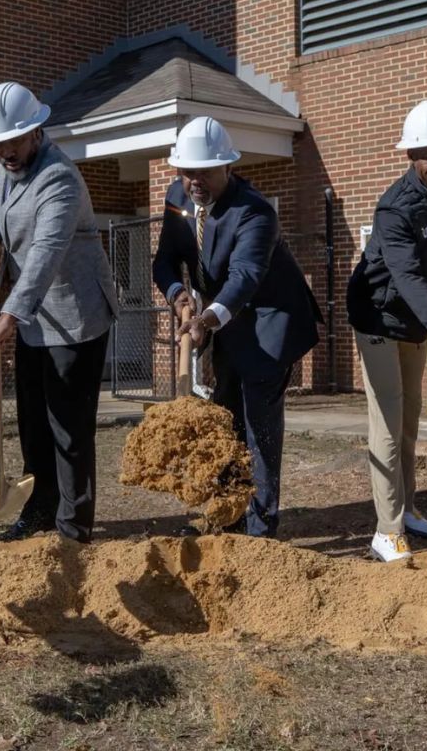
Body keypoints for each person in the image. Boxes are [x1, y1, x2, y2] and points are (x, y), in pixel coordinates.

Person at [152, 116, 321, 538]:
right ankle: (228, 514)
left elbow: (245, 276)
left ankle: (260, 526)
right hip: (225, 319)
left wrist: (207, 319)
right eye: (187, 171)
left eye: (205, 172)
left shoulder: (255, 212)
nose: (194, 181)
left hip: (270, 320)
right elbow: (165, 259)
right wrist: (178, 295)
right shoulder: (178, 197)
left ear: (227, 166)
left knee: (257, 421)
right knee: (225, 417)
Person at [0, 81, 118, 544]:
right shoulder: (3, 164)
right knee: (34, 424)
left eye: (14, 142)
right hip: (35, 316)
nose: (6, 152)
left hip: (75, 314)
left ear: (36, 132)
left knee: (69, 429)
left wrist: (9, 316)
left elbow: (46, 252)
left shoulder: (59, 177)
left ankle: (73, 529)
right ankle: (36, 515)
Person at [346, 99, 427, 563]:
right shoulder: (393, 210)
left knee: (410, 420)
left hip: (418, 322)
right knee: (387, 420)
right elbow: (408, 278)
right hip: (378, 316)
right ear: (411, 157)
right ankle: (386, 530)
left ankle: (407, 510)